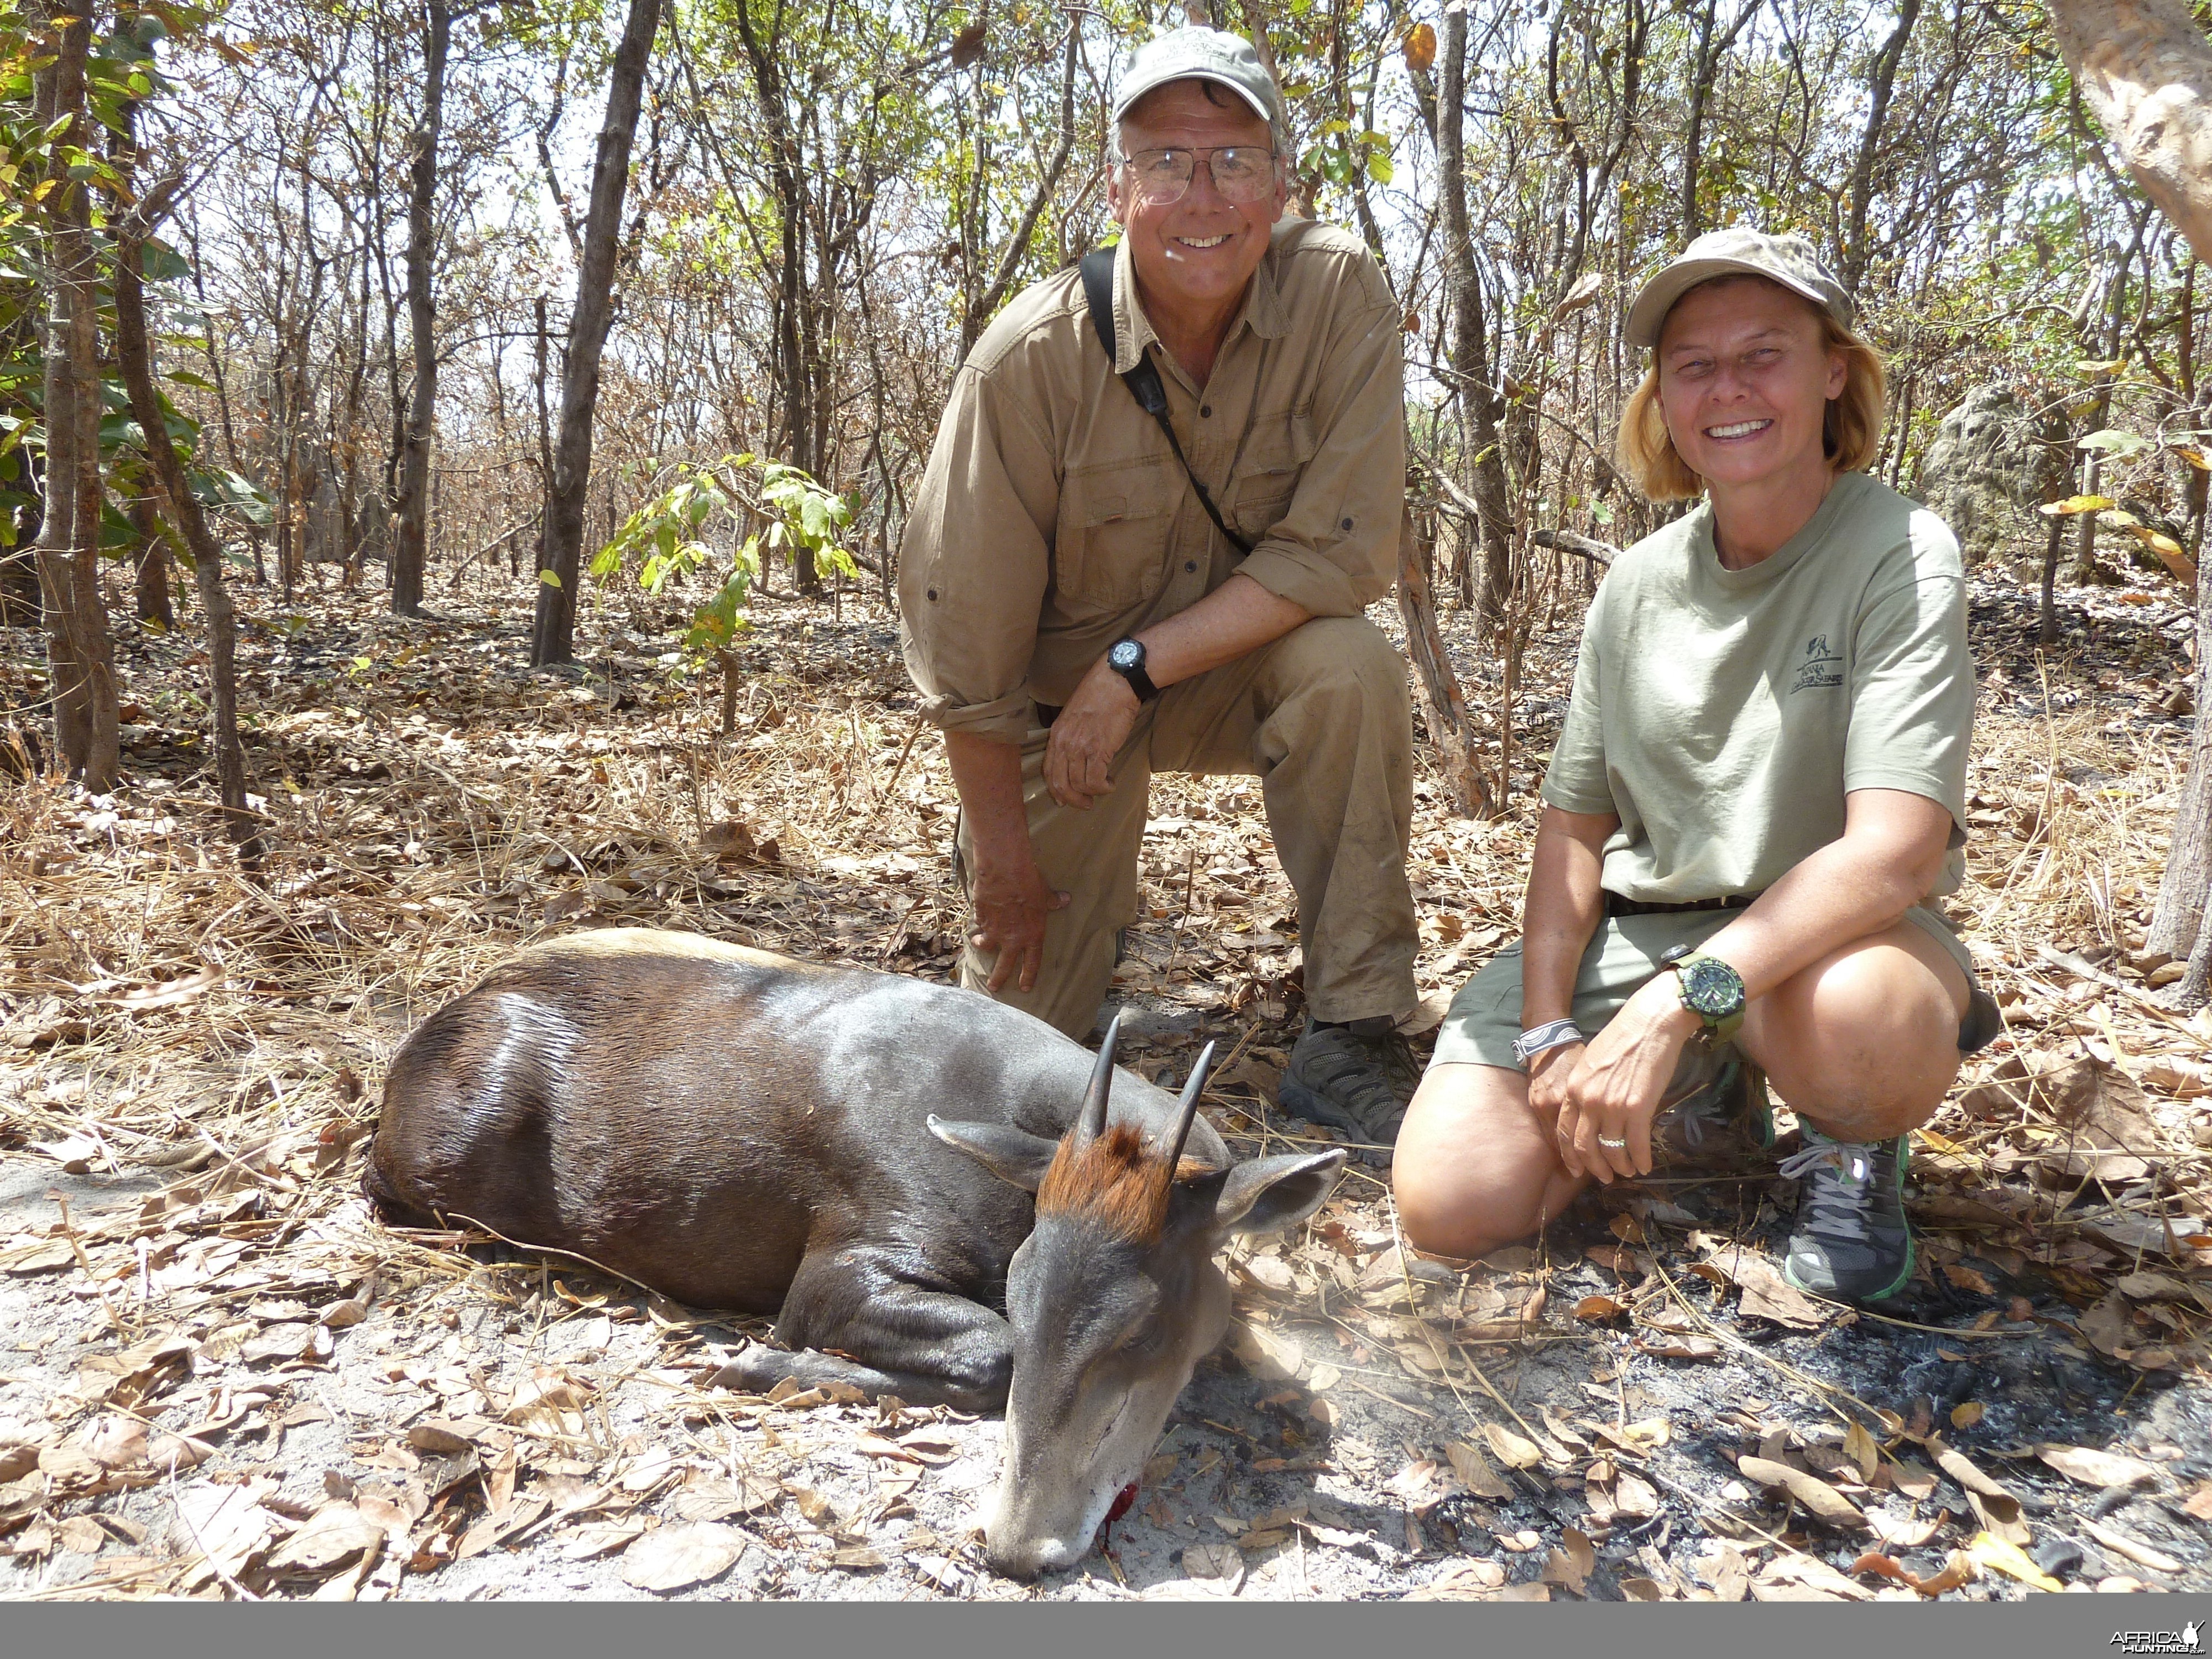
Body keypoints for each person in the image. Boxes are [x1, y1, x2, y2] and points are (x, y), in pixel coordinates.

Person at [1392, 228, 2000, 1303]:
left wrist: (1669, 1011)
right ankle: (1703, 1099)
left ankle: (1847, 1150)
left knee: (1867, 1018)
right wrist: (1547, 1032)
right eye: (1693, 365)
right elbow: (1571, 829)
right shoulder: (1632, 585)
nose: (1728, 389)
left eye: (1762, 353)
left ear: (1830, 373)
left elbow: (1893, 853)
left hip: (1824, 942)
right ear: (1662, 399)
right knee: (1451, 1207)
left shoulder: (1896, 552)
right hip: (1643, 929)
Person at [899, 27, 1424, 1140]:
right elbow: (965, 654)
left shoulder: (1339, 300)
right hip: (1056, 719)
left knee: (1350, 667)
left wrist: (1134, 669)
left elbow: (1341, 551)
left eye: (1233, 160)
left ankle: (1352, 1032)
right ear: (1116, 189)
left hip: (1219, 675)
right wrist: (1002, 865)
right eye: (1166, 163)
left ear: (1282, 186)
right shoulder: (1026, 362)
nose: (1203, 195)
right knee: (1006, 1062)